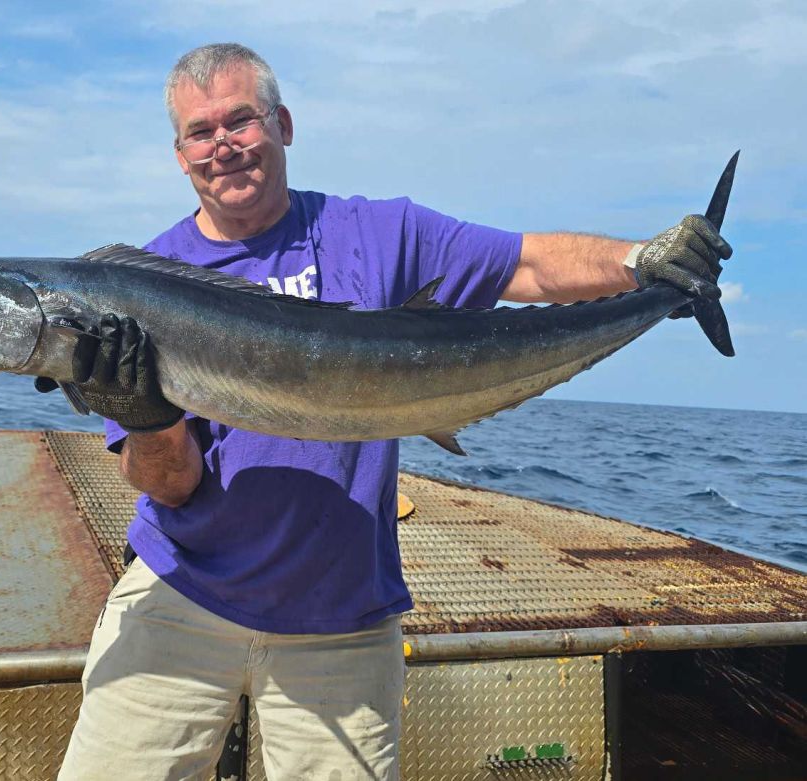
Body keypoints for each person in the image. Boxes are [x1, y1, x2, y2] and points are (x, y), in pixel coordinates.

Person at [51, 43, 731, 781]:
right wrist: (145, 415)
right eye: (200, 132)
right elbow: (172, 484)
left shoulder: (378, 234)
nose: (223, 145)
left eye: (240, 121)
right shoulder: (132, 292)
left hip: (342, 619)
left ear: (282, 125)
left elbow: (526, 264)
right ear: (180, 154)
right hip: (179, 597)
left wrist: (642, 262)